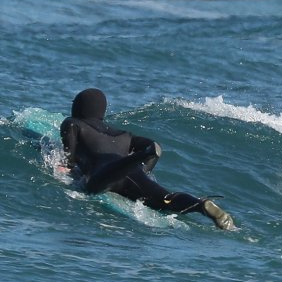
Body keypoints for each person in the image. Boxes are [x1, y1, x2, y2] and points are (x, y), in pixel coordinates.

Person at [60, 88, 235, 230]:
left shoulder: (73, 122)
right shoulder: (123, 135)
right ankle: (200, 204)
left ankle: (136, 159)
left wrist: (65, 165)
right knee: (167, 199)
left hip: (105, 173)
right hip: (132, 172)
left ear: (78, 107)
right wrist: (144, 168)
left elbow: (69, 154)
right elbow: (152, 143)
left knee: (93, 186)